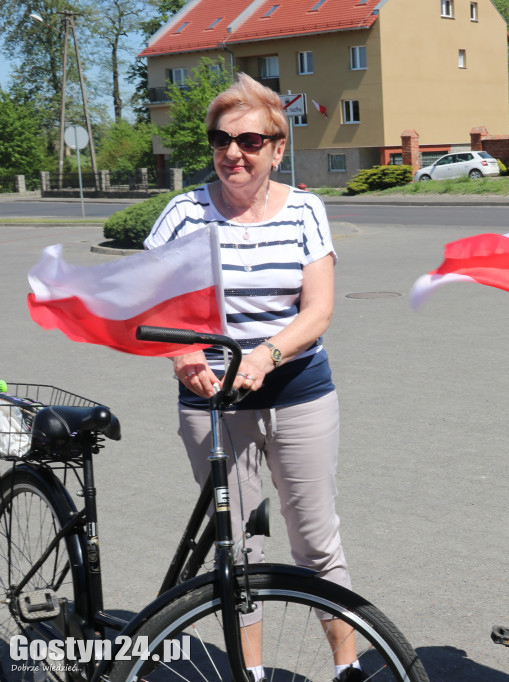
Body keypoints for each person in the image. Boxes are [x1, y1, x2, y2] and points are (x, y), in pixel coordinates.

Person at [145, 73, 366, 682]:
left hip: (297, 391)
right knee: (240, 548)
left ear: (276, 147)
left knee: (316, 540)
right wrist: (183, 357)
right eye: (221, 139)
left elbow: (317, 310)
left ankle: (346, 666)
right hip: (212, 399)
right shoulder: (184, 213)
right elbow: (153, 301)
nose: (232, 152)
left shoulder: (305, 210)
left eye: (247, 140)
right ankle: (254, 674)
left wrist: (267, 353)